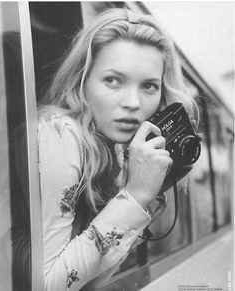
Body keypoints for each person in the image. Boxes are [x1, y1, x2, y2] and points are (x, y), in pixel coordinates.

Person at [37, 8, 199, 291]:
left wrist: (150, 193)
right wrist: (135, 195)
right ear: (82, 80)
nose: (133, 102)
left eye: (149, 86)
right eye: (113, 80)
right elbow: (48, 286)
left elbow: (90, 281)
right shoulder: (61, 132)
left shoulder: (108, 152)